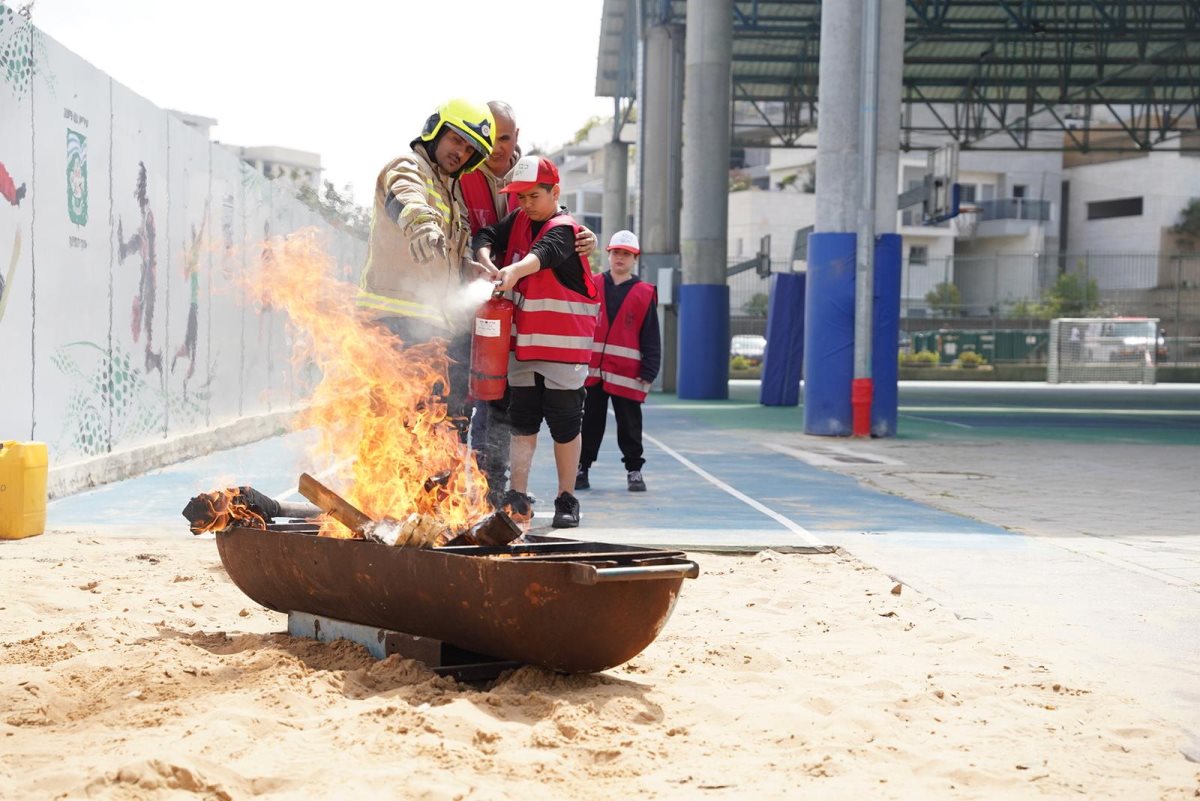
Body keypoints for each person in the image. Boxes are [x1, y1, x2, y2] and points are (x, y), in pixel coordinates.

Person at [460, 101, 597, 505]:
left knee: (565, 426)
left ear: (555, 193)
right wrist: (486, 260)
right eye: (519, 197)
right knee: (520, 424)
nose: (523, 203)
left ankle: (566, 498)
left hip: (561, 353)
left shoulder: (564, 228)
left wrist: (515, 271)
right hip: (520, 348)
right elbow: (487, 234)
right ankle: (514, 494)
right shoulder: (517, 214)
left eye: (532, 196)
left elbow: (548, 250)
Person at [356, 98, 495, 439]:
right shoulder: (408, 166)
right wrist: (420, 223)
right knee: (397, 426)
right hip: (392, 326)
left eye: (468, 149)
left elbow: (448, 254)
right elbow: (405, 194)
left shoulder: (452, 193)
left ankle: (419, 493)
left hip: (430, 330)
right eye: (455, 140)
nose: (459, 152)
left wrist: (469, 268)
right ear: (435, 132)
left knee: (428, 431)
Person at [576, 230, 661, 493]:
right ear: (609, 255)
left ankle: (634, 470)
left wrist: (650, 368)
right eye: (616, 253)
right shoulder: (591, 284)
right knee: (589, 422)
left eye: (626, 254)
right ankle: (582, 468)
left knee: (630, 424)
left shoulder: (644, 293)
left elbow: (651, 334)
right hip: (593, 372)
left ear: (634, 258)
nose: (620, 258)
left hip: (628, 373)